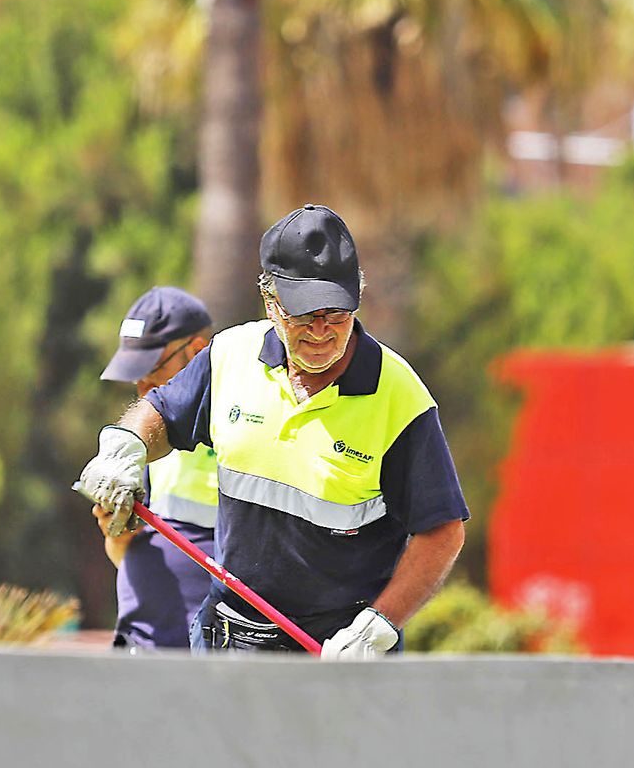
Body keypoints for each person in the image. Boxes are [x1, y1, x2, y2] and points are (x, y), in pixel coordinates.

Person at [76, 204, 468, 659]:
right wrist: (124, 447)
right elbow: (161, 413)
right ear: (270, 303)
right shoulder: (229, 357)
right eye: (303, 315)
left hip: (340, 654)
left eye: (336, 313)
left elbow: (442, 530)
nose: (321, 331)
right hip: (227, 641)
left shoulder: (400, 396)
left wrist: (381, 623)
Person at [93, 287, 219, 651]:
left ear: (197, 352)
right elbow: (125, 555)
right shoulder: (143, 440)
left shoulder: (246, 427)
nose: (142, 387)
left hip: (211, 659)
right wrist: (115, 535)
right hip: (143, 646)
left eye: (151, 370)